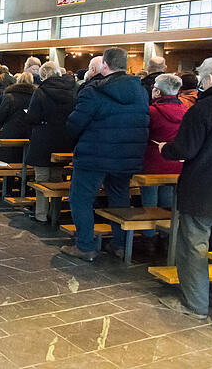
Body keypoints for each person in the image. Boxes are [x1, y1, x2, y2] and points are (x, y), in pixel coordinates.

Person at [63, 47, 149, 262]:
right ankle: (119, 245)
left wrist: (76, 141)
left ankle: (84, 246)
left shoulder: (93, 91)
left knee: (80, 199)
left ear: (104, 65)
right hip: (127, 155)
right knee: (119, 198)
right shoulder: (140, 91)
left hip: (94, 155)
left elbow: (75, 123)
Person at [158, 56, 212, 320]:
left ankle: (195, 304)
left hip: (203, 188)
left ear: (209, 79)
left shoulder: (205, 108)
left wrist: (166, 149)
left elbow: (186, 148)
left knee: (194, 244)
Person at [26, 62, 75, 223]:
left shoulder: (40, 92)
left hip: (43, 138)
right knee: (56, 179)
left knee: (41, 178)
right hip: (62, 138)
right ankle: (55, 213)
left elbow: (32, 116)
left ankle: (40, 214)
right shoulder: (70, 92)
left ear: (44, 75)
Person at [139, 73, 186, 238]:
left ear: (158, 92)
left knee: (150, 200)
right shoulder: (186, 110)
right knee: (167, 199)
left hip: (152, 163)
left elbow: (143, 135)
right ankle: (166, 235)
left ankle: (149, 235)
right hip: (176, 163)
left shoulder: (151, 111)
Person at [0, 72, 35, 163]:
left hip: (11, 132)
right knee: (24, 162)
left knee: (8, 162)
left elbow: (0, 115)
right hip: (28, 133)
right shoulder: (35, 96)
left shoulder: (10, 96)